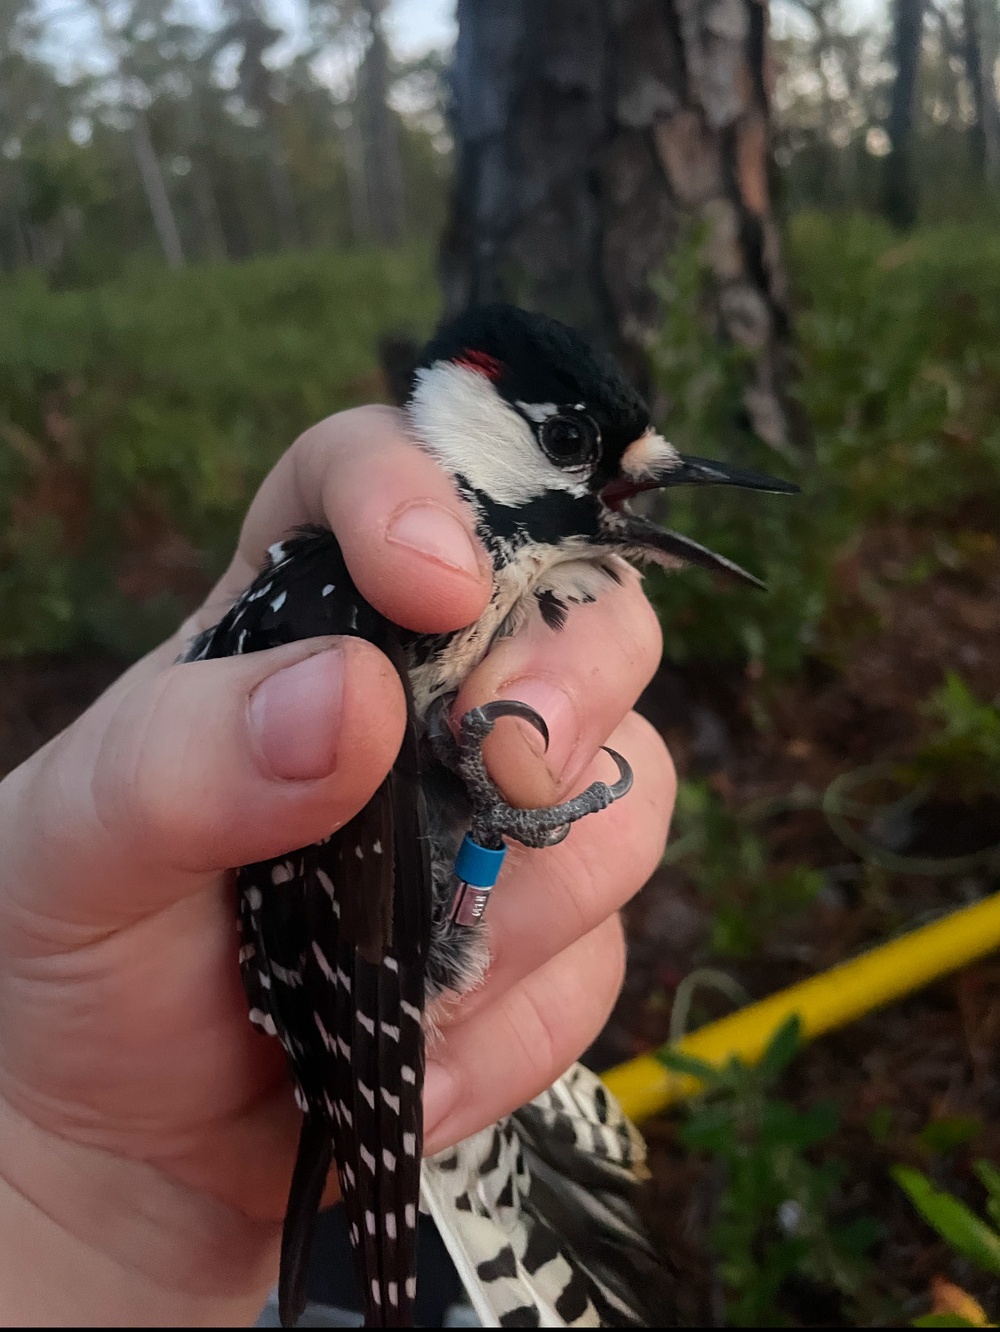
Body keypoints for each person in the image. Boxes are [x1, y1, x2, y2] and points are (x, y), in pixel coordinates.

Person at [0, 406, 675, 1324]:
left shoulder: (417, 582)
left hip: (323, 1068)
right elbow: (365, 950)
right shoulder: (346, 593)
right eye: (569, 445)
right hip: (350, 1029)